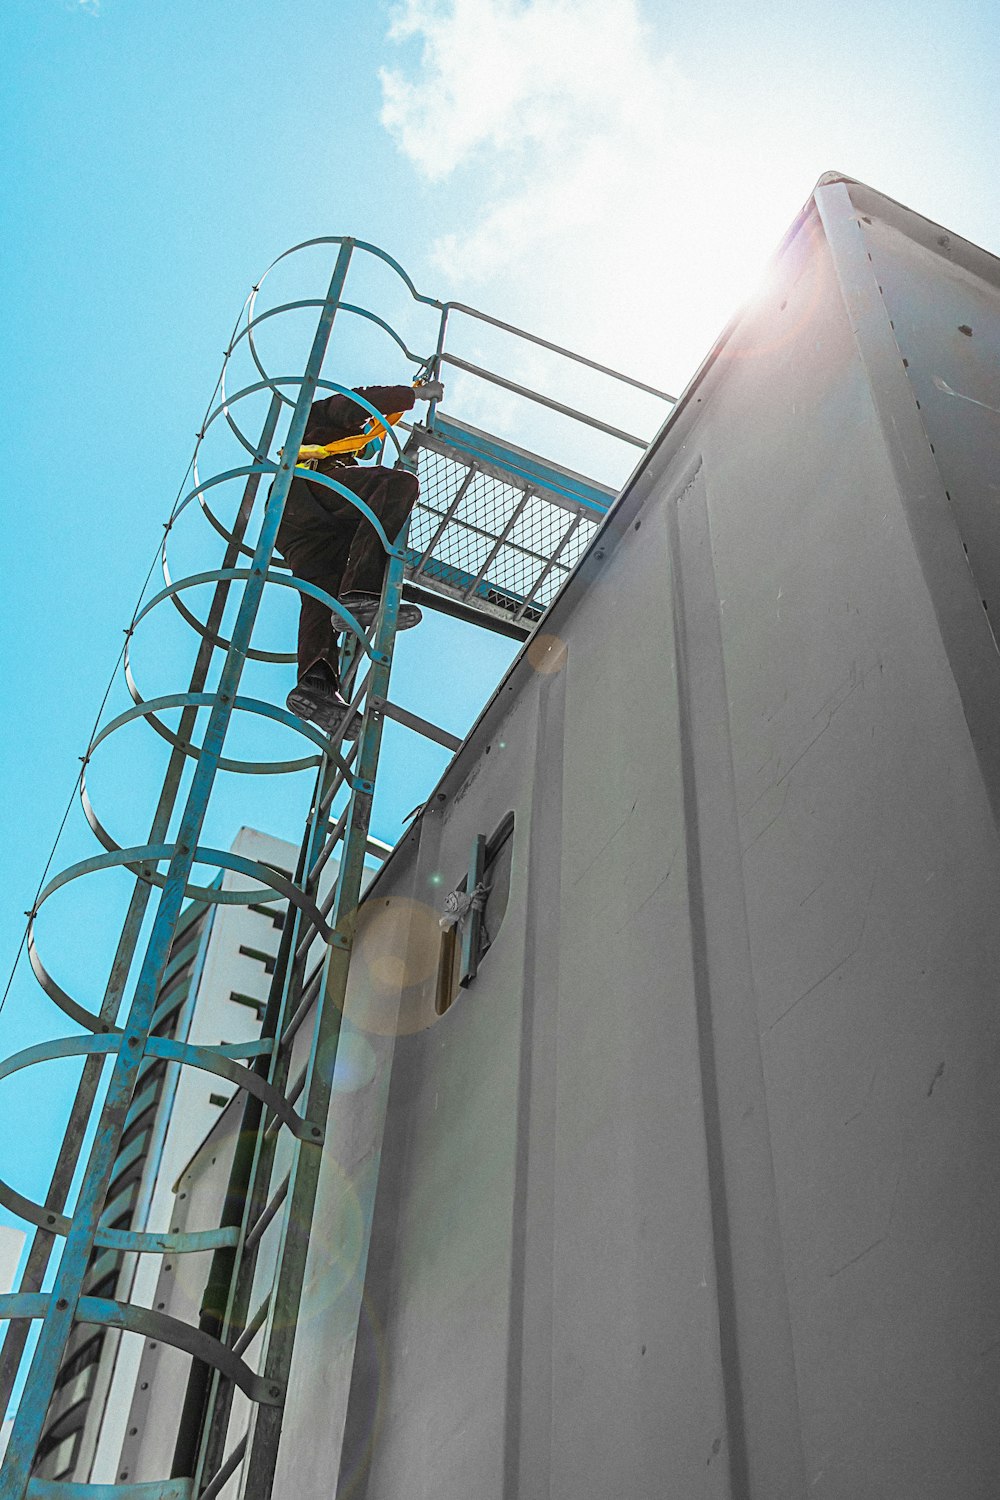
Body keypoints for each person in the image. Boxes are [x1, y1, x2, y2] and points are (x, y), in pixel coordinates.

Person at [277, 378, 443, 736]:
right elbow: (363, 401)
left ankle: (317, 686)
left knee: (319, 597)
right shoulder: (324, 414)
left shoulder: (331, 448)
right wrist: (416, 394)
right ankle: (360, 594)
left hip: (297, 525)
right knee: (396, 485)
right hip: (310, 491)